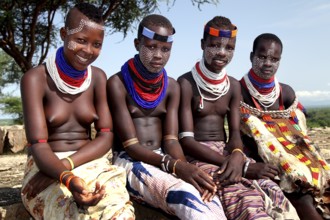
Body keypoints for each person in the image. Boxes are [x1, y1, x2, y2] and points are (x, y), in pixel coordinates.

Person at [20, 3, 135, 219]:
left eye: (97, 44)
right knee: (70, 213)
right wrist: (66, 178)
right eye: (81, 40)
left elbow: (105, 136)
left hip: (90, 163)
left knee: (119, 213)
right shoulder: (35, 79)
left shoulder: (98, 78)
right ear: (64, 34)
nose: (88, 51)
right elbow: (38, 144)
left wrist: (66, 167)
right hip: (44, 167)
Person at [106, 14, 226, 220]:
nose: (158, 55)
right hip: (129, 161)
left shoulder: (171, 86)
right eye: (151, 47)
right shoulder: (117, 83)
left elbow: (170, 139)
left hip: (164, 156)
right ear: (137, 44)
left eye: (165, 49)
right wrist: (175, 166)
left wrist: (185, 167)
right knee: (185, 196)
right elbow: (131, 146)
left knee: (207, 193)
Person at [178, 16, 299, 220]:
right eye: (215, 45)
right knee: (242, 196)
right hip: (199, 155)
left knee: (272, 189)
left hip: (227, 153)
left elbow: (234, 133)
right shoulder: (185, 84)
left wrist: (236, 154)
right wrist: (240, 166)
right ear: (202, 44)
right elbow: (186, 141)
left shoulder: (232, 86)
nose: (222, 53)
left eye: (229, 48)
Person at [239, 33, 330, 219]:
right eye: (262, 57)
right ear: (251, 56)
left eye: (274, 59)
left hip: (295, 162)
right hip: (261, 163)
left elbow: (298, 134)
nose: (268, 63)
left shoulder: (286, 93)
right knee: (302, 198)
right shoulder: (238, 91)